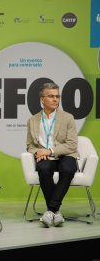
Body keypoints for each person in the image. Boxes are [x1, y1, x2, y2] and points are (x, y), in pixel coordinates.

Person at [26, 82, 78, 227]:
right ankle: (56, 213)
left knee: (68, 169)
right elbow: (29, 145)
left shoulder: (68, 117)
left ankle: (51, 210)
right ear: (42, 99)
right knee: (43, 169)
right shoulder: (32, 120)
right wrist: (38, 152)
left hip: (65, 154)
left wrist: (50, 151)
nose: (55, 99)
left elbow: (72, 145)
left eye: (57, 96)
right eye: (51, 96)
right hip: (46, 158)